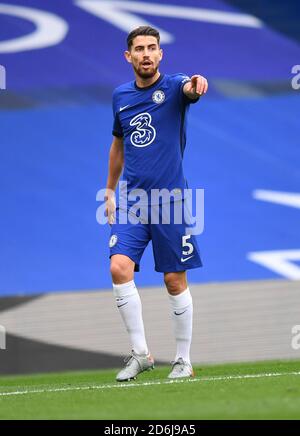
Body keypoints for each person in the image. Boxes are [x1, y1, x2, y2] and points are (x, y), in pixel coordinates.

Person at [104, 25, 208, 382]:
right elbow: (118, 145)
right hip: (134, 200)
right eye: (139, 49)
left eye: (152, 48)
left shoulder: (175, 86)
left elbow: (190, 89)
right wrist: (109, 190)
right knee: (119, 268)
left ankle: (183, 360)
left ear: (161, 54)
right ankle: (140, 353)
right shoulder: (120, 96)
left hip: (171, 200)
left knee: (173, 280)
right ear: (128, 56)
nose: (146, 54)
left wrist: (196, 85)